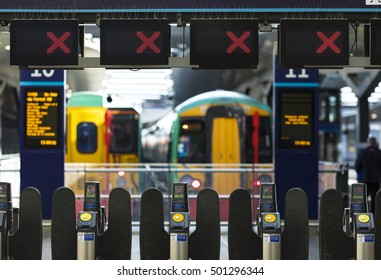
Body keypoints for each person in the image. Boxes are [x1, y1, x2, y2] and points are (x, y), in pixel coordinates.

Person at [355, 136, 381, 213]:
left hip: (364, 180)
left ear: (368, 142)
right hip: (376, 180)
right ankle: (374, 217)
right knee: (375, 200)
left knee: (363, 199)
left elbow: (357, 166)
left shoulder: (363, 152)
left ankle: (363, 216)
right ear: (375, 143)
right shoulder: (379, 152)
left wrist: (360, 175)